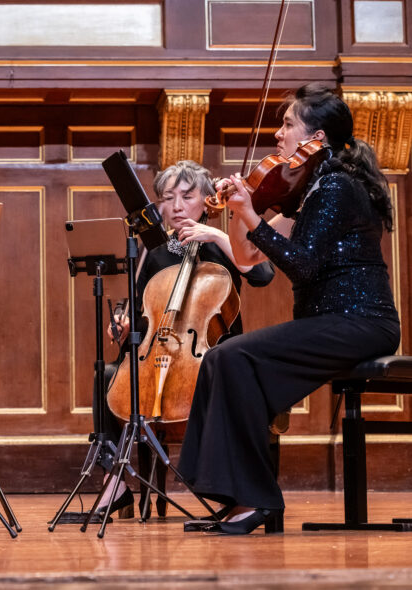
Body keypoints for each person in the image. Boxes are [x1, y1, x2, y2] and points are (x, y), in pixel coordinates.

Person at [178, 83, 401, 534]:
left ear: (315, 137)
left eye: (287, 124)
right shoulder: (308, 190)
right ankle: (247, 498)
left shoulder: (337, 186)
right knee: (228, 360)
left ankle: (255, 500)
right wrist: (246, 209)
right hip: (331, 322)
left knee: (233, 356)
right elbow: (246, 260)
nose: (277, 135)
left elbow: (301, 266)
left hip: (361, 322)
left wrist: (253, 215)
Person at [93, 160, 275, 518]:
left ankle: (230, 492)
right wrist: (127, 327)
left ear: (209, 200)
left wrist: (220, 237)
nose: (176, 206)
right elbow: (145, 319)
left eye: (187, 196)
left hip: (214, 357)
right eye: (168, 197)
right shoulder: (157, 255)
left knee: (217, 377)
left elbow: (264, 274)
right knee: (107, 375)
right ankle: (114, 482)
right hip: (161, 355)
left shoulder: (227, 243)